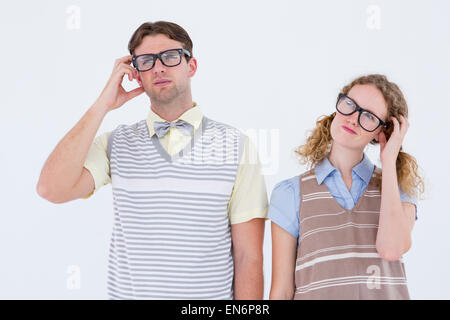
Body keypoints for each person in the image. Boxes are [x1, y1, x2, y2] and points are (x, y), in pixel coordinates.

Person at [36, 21, 268, 300]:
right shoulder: (116, 144)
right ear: (135, 74)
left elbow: (249, 257)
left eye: (170, 57)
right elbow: (51, 188)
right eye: (146, 61)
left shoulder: (236, 145)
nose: (158, 68)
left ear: (191, 66)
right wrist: (102, 105)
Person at [269, 74, 424, 300]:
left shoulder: (398, 188)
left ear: (383, 132)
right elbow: (282, 291)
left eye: (369, 116)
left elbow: (391, 249)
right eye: (350, 105)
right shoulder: (290, 193)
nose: (352, 118)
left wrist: (389, 161)